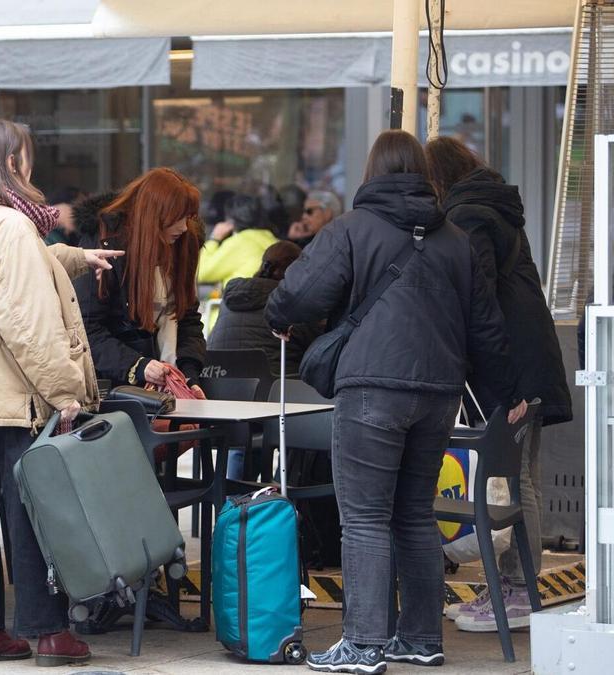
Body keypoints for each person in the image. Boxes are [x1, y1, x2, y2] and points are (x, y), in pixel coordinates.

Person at [266, 130, 528, 673]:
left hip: (372, 391)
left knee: (363, 518)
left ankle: (363, 644)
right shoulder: (454, 239)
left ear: (372, 171)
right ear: (421, 174)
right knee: (414, 516)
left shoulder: (351, 230)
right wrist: (506, 396)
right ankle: (421, 638)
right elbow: (487, 329)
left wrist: (281, 319)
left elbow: (294, 296)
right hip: (438, 395)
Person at [0, 118, 117, 667]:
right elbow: (23, 320)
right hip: (10, 393)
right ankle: (49, 633)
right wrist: (65, 391)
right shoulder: (12, 226)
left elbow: (23, 263)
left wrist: (80, 257)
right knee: (32, 514)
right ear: (14, 163)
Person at [426, 136, 573, 633]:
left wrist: (503, 386)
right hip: (527, 356)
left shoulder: (469, 215)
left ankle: (516, 592)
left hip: (511, 362)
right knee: (519, 472)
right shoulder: (492, 206)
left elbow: (477, 297)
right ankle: (514, 586)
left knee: (515, 478)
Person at [73, 168, 206, 388]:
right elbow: (86, 328)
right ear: (154, 216)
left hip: (169, 385)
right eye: (177, 218)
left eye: (188, 218)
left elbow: (187, 318)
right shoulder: (105, 243)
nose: (183, 227)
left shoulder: (184, 243)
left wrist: (189, 377)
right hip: (114, 389)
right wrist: (139, 366)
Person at [208, 240, 319, 378]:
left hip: (217, 383)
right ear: (297, 271)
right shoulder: (296, 303)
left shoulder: (230, 299)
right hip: (276, 390)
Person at [196, 193, 279, 290]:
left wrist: (214, 239)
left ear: (230, 222)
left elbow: (201, 272)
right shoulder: (273, 240)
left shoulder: (239, 242)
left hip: (243, 301)